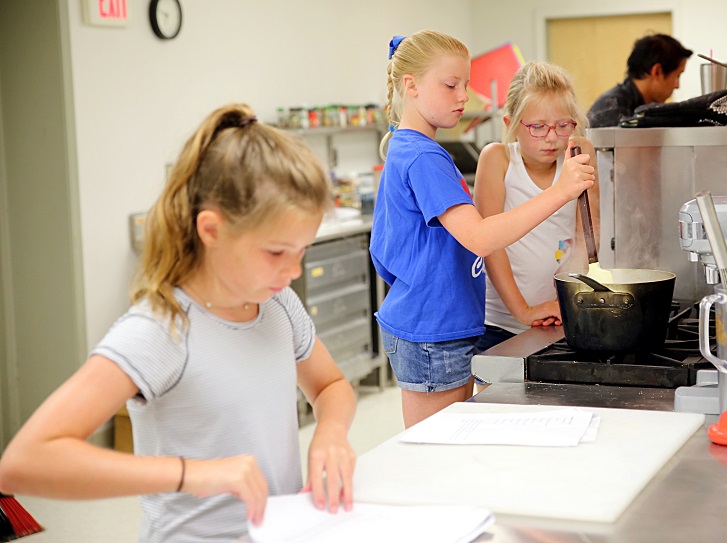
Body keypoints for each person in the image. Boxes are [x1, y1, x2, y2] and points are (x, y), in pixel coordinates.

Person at [0, 103, 357, 542]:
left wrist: (331, 432)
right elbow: (25, 462)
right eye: (277, 252)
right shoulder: (161, 329)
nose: (294, 271)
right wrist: (189, 473)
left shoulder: (278, 303)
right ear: (212, 230)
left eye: (302, 252)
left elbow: (330, 386)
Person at [370, 31, 595, 428]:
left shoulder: (419, 150)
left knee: (453, 441)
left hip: (441, 323)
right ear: (411, 86)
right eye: (451, 85)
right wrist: (561, 191)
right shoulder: (423, 157)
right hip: (432, 328)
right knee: (438, 449)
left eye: (466, 85)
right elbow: (481, 237)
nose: (463, 97)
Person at [473, 61, 600, 353]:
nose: (553, 137)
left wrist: (567, 302)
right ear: (511, 125)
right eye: (538, 127)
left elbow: (587, 235)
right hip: (500, 324)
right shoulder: (498, 159)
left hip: (559, 317)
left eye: (563, 125)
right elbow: (491, 246)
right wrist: (523, 311)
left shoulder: (578, 151)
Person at [587, 33, 693, 128]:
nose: (677, 86)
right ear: (657, 71)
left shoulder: (632, 105)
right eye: (677, 76)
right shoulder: (613, 108)